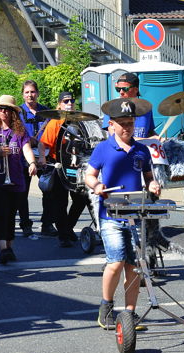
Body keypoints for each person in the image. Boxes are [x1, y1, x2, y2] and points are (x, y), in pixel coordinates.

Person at [85, 97, 160, 330]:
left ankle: (130, 314)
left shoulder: (141, 150)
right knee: (116, 262)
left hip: (136, 213)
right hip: (110, 214)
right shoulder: (103, 148)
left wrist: (153, 185)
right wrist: (96, 186)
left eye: (130, 122)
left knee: (134, 264)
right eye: (122, 123)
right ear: (112, 125)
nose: (127, 127)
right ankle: (106, 308)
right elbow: (89, 175)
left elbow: (148, 177)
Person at [0, 95, 36, 263]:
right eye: (0, 109)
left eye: (7, 109)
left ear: (12, 113)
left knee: (11, 216)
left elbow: (26, 149)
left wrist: (32, 162)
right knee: (0, 216)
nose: (3, 112)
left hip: (16, 180)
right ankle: (3, 249)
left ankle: (9, 247)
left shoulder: (20, 131)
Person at [38, 92, 90, 247]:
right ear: (59, 104)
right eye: (66, 101)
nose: (69, 103)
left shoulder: (79, 122)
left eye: (72, 100)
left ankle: (67, 227)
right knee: (60, 202)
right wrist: (42, 157)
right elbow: (43, 144)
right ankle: (63, 235)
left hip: (76, 166)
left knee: (81, 200)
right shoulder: (55, 122)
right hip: (59, 165)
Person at [18, 80, 51, 237]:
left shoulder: (46, 111)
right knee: (23, 192)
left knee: (48, 189)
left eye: (32, 92)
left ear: (37, 93)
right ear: (23, 94)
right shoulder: (17, 112)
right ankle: (25, 224)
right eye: (27, 92)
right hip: (24, 156)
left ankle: (47, 223)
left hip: (43, 155)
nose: (30, 95)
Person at [101, 73, 156, 138]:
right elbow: (115, 137)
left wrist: (159, 139)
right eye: (118, 89)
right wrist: (142, 141)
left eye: (125, 89)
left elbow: (149, 132)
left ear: (136, 89)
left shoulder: (146, 108)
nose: (121, 92)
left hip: (142, 147)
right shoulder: (111, 107)